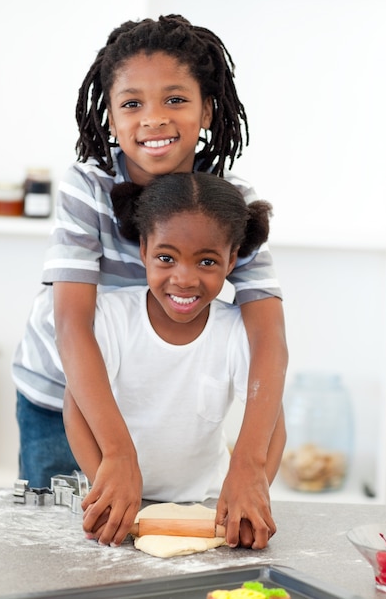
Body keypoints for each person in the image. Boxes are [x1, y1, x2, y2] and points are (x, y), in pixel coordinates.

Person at [12, 14, 288, 550]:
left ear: (208, 108)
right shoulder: (87, 186)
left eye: (176, 100)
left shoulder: (229, 197)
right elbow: (73, 325)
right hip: (59, 397)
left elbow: (267, 338)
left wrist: (251, 462)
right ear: (110, 117)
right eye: (132, 103)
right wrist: (117, 453)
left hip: (149, 404)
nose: (153, 119)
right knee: (59, 548)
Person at [63, 172, 286, 549]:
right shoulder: (114, 318)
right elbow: (76, 405)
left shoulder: (235, 332)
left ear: (232, 261)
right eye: (166, 258)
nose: (184, 279)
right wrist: (105, 480)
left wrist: (253, 487)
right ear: (143, 251)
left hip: (204, 504)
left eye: (207, 262)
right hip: (126, 503)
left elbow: (272, 419)